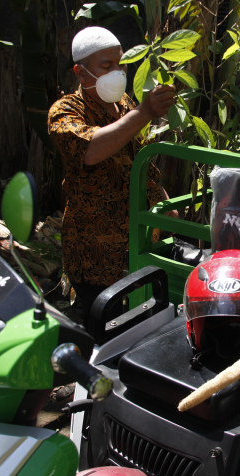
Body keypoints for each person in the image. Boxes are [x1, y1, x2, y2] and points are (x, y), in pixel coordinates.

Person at [48, 26, 176, 321]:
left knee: (144, 321)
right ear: (81, 73)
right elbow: (91, 150)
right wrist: (144, 112)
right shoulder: (65, 111)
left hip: (138, 244)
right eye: (107, 66)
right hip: (95, 252)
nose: (117, 72)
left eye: (120, 63)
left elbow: (141, 165)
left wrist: (166, 211)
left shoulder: (126, 105)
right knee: (106, 329)